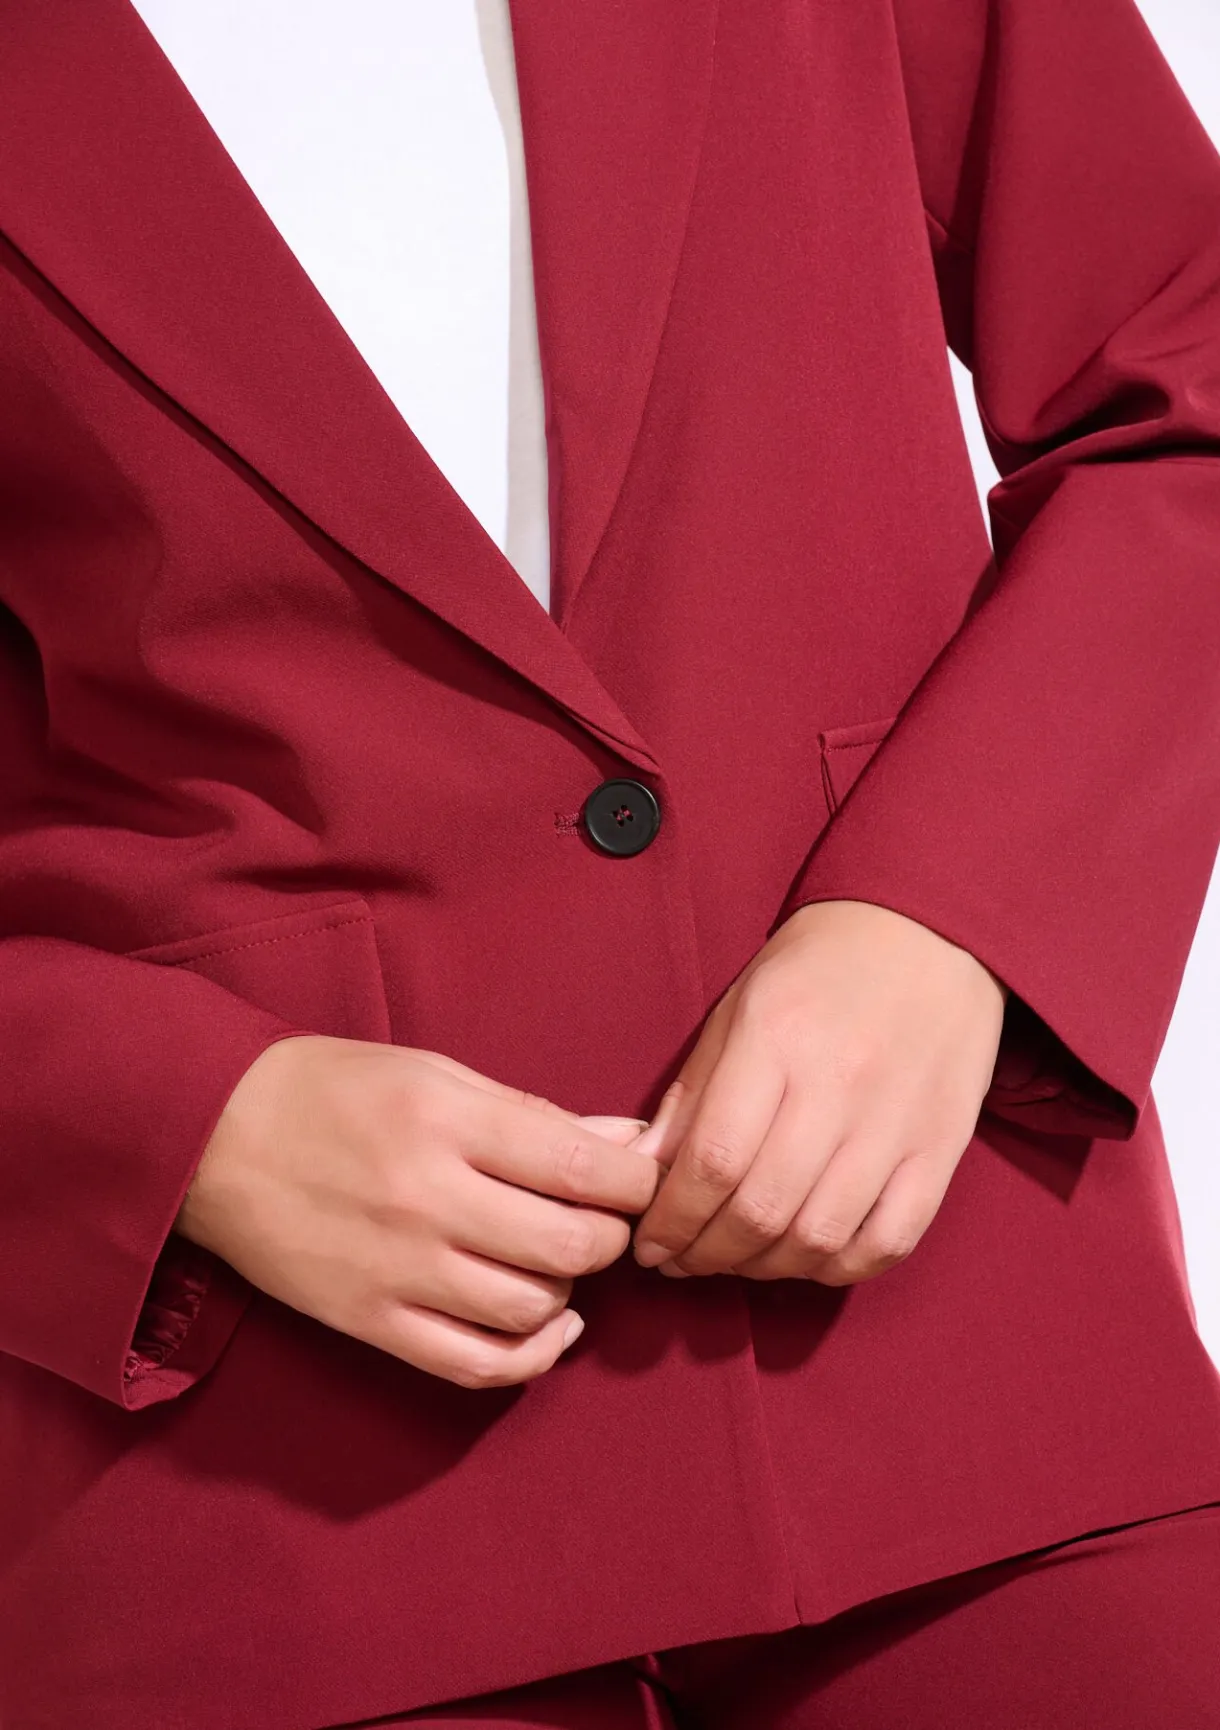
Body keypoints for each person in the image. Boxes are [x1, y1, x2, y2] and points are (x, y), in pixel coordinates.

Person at [2, 0, 1220, 1725]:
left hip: (971, 1374)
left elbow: (1184, 376)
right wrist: (185, 1124)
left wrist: (954, 917)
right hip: (271, 1509)